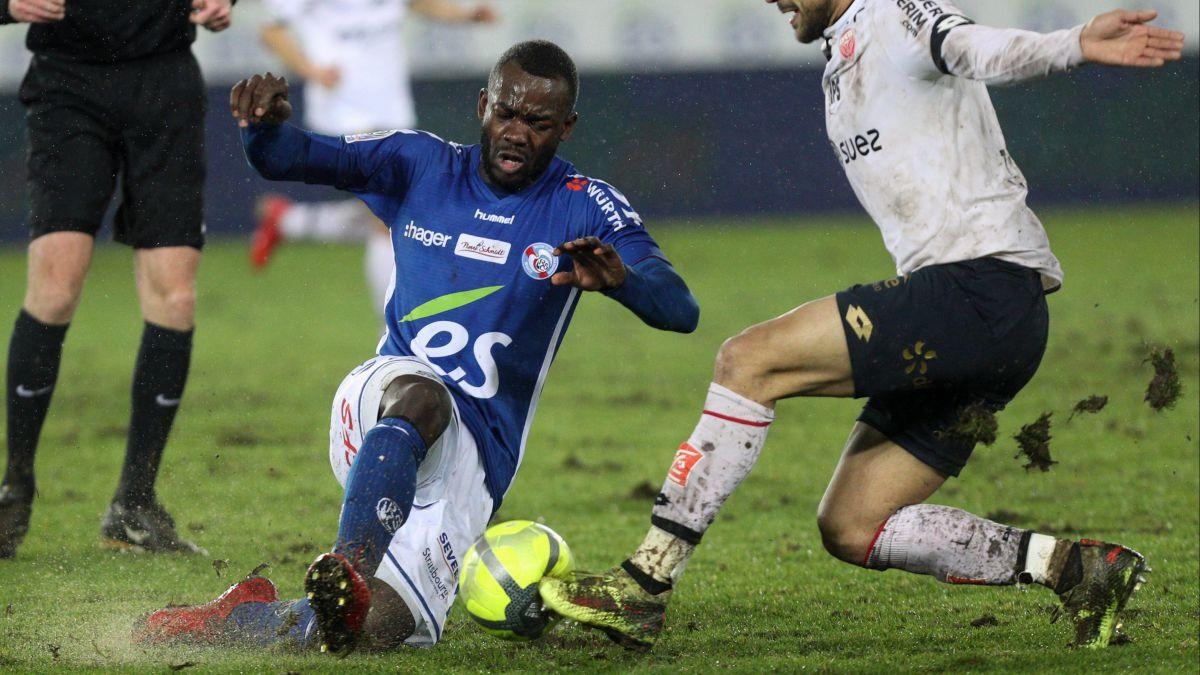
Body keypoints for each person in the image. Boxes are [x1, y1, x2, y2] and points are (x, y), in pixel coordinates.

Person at [539, 0, 1185, 651]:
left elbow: (974, 49)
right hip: (996, 321)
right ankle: (1080, 570)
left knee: (749, 359)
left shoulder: (896, 12)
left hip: (977, 289)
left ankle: (644, 586)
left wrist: (1072, 42)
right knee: (852, 524)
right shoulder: (842, 50)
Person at [134, 40, 700, 653]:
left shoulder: (585, 206)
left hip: (476, 460)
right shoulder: (420, 163)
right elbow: (294, 157)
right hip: (389, 400)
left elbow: (681, 309)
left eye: (538, 123)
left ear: (565, 128)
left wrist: (623, 283)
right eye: (506, 112)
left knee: (362, 631)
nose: (517, 132)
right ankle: (349, 562)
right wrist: (261, 129)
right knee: (426, 398)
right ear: (483, 105)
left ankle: (238, 618)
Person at [0, 0, 241, 558]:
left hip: (164, 84)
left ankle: (134, 502)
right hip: (68, 85)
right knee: (56, 288)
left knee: (176, 298)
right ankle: (15, 484)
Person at [249, 0, 497, 319]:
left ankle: (288, 220)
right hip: (344, 110)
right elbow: (270, 30)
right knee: (387, 219)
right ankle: (392, 328)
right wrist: (310, 70)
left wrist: (465, 15)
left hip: (392, 108)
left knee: (393, 213)